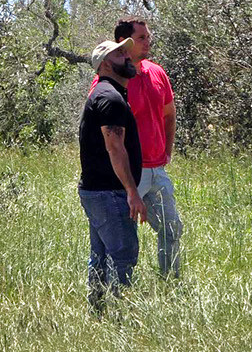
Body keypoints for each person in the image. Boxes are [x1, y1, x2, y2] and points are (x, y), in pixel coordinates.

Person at [78, 37, 147, 311]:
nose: (127, 58)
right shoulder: (110, 98)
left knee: (101, 255)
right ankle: (121, 315)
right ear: (105, 64)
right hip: (109, 193)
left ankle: (98, 310)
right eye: (120, 55)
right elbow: (115, 148)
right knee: (123, 255)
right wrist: (132, 192)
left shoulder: (107, 95)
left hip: (98, 191)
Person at [114, 17, 182, 278]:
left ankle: (170, 281)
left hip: (157, 169)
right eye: (141, 38)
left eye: (148, 37)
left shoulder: (157, 72)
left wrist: (168, 149)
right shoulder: (113, 78)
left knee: (172, 227)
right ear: (124, 42)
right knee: (122, 235)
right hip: (130, 172)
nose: (148, 41)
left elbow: (169, 113)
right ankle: (117, 288)